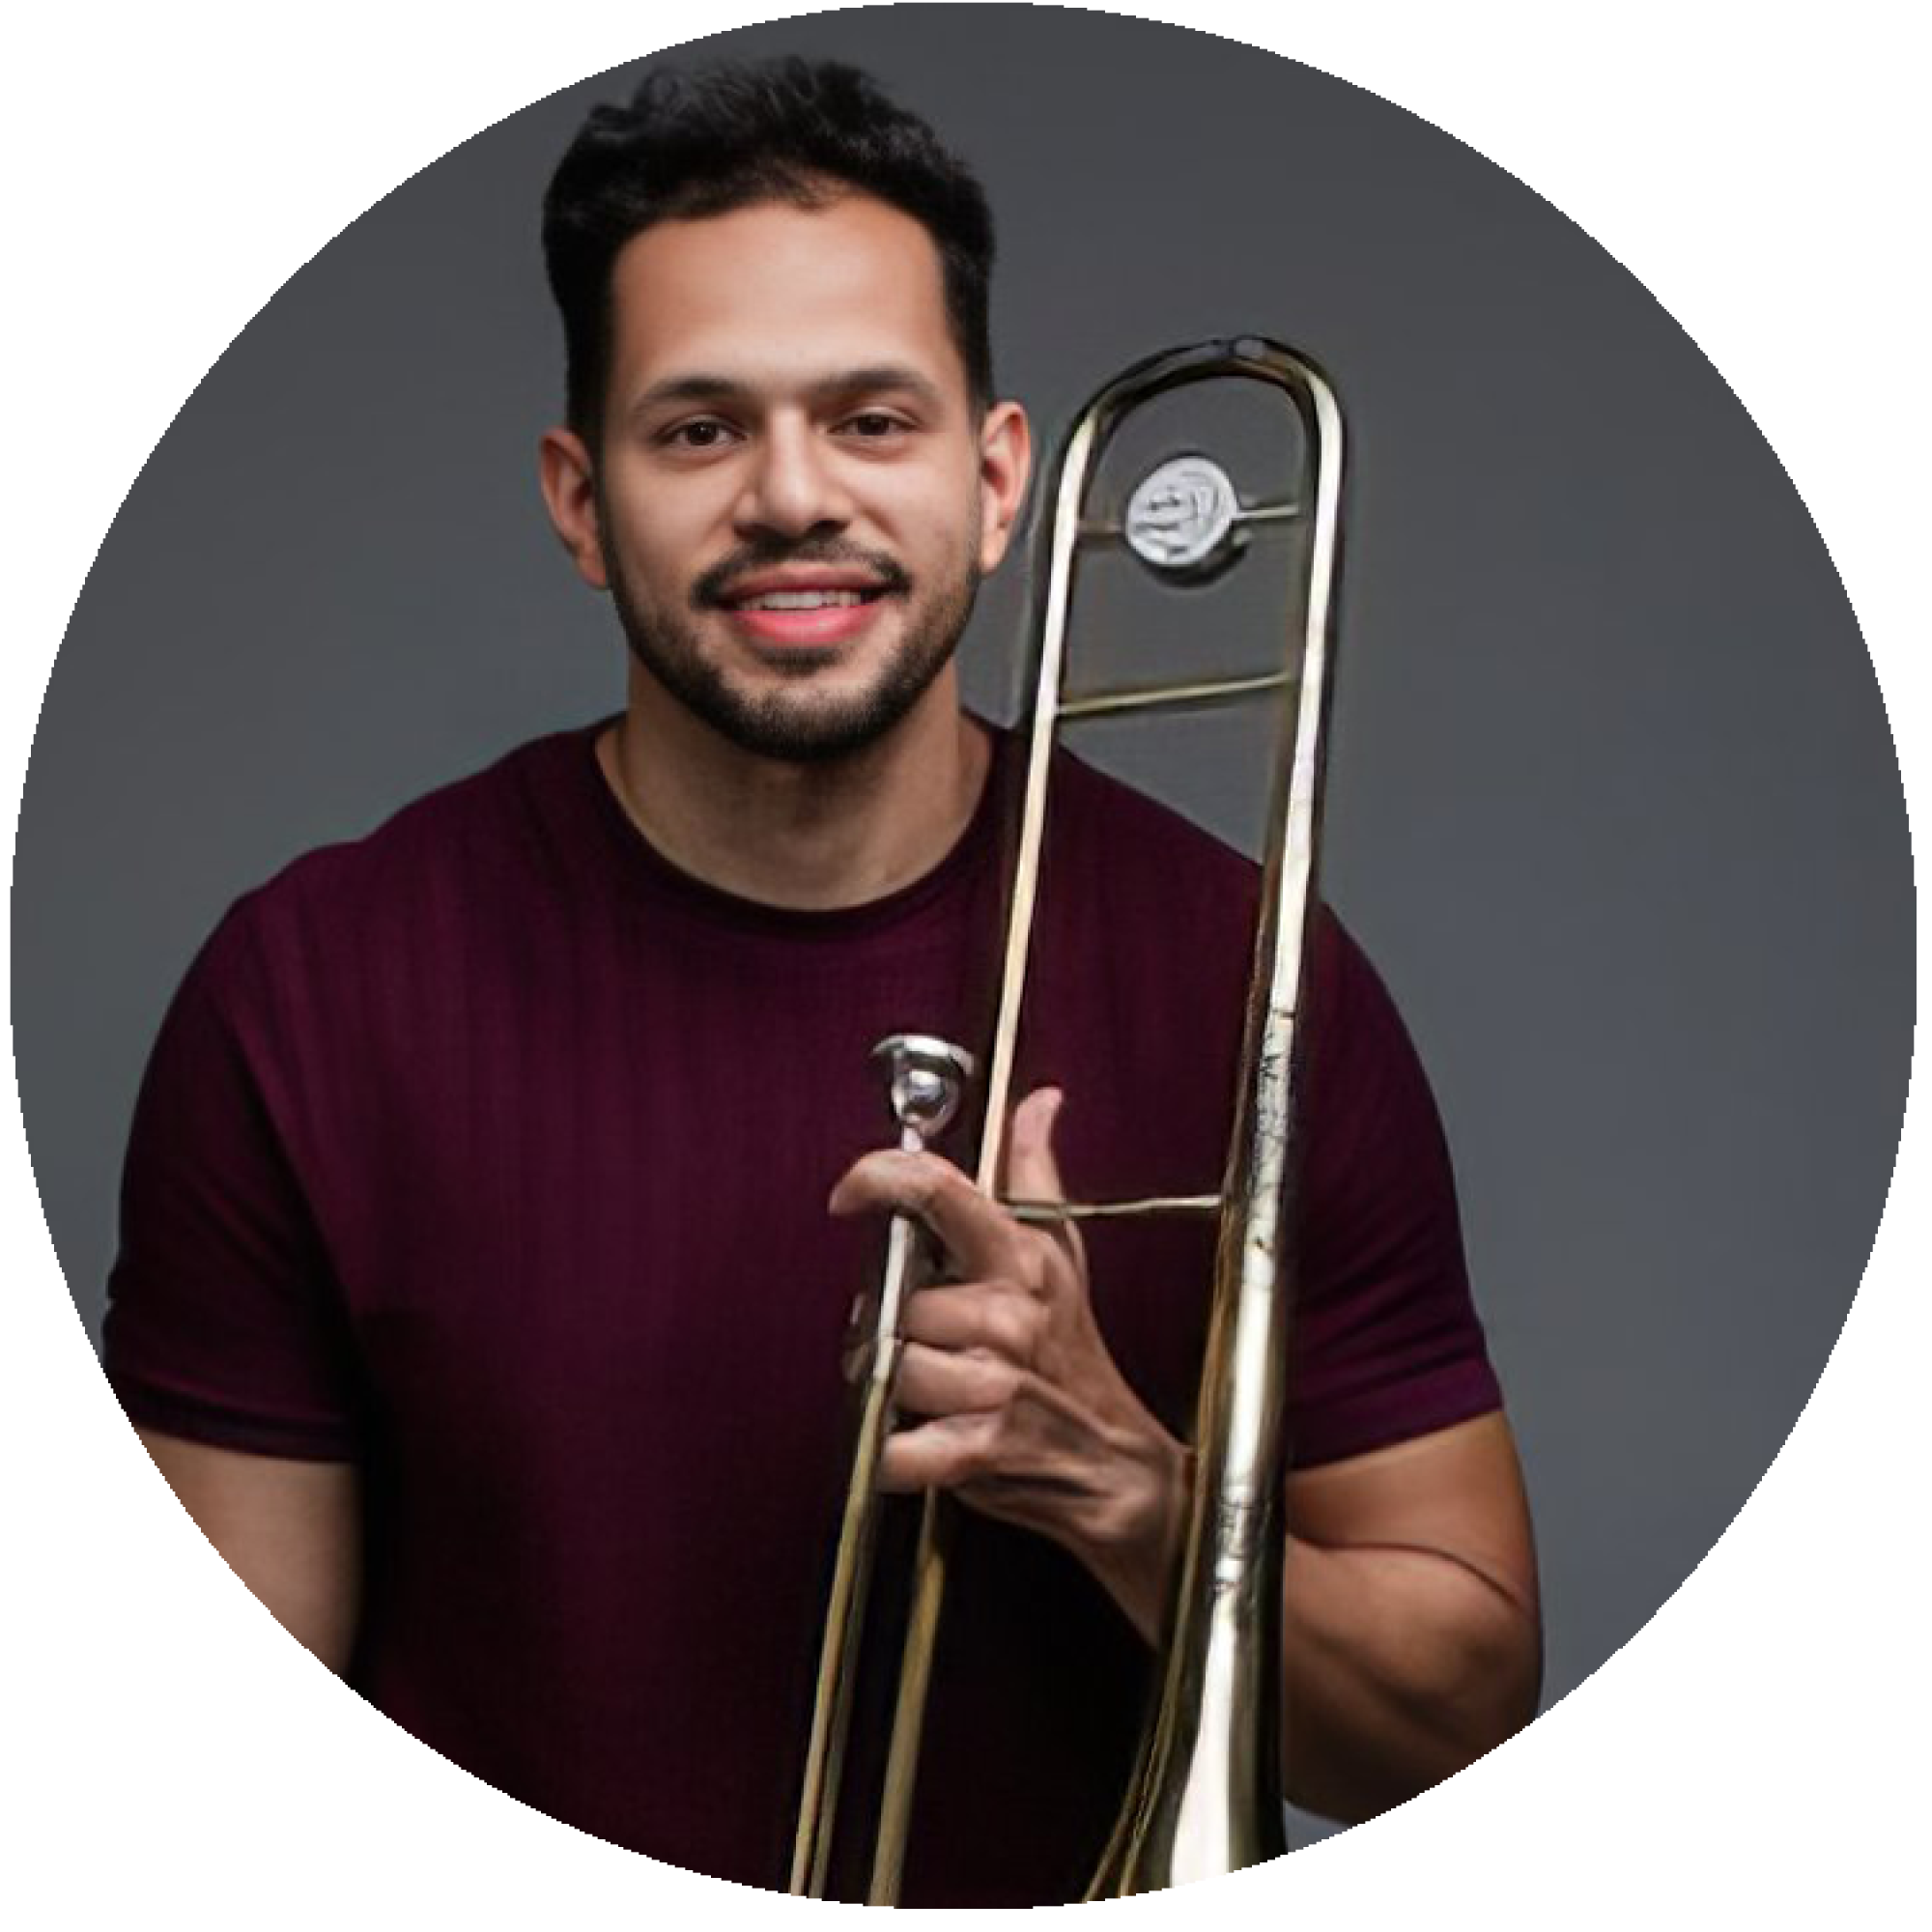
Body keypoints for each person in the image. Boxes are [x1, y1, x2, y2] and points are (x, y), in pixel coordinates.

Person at [101, 55, 1541, 1903]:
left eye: (873, 419)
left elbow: (1461, 1727)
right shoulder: (309, 993)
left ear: (1001, 479)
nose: (794, 498)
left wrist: (1128, 1489)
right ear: (578, 499)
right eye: (699, 430)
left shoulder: (1252, 975)